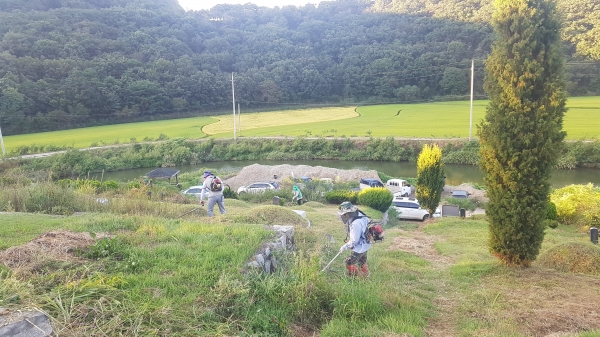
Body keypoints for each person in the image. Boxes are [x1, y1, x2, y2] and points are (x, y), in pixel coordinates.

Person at [337, 201, 371, 277]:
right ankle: (366, 275)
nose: (344, 216)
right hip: (366, 243)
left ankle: (354, 278)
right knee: (362, 261)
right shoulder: (361, 215)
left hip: (359, 247)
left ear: (347, 213)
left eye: (344, 214)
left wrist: (344, 247)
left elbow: (354, 241)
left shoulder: (355, 223)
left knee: (349, 262)